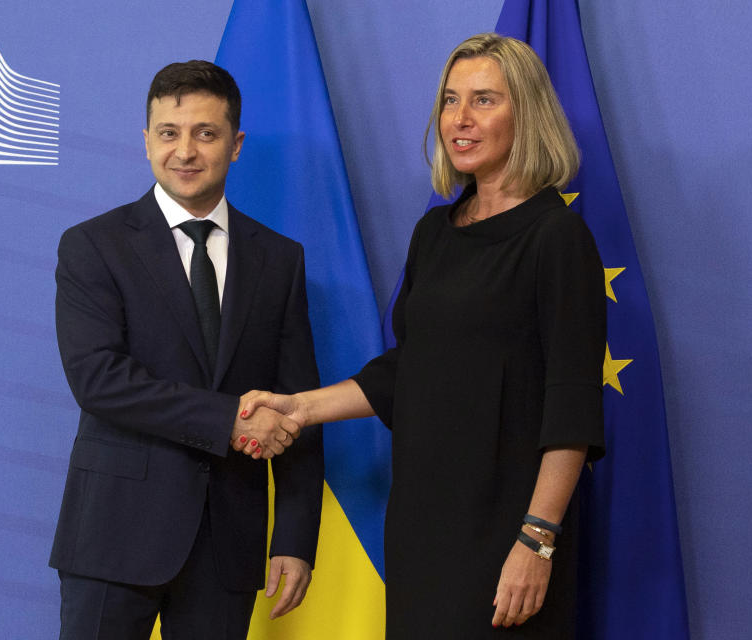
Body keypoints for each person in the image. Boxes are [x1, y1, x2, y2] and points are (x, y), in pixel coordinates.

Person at [237, 34, 605, 639]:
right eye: (450, 99)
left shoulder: (556, 238)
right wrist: (297, 408)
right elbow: (409, 368)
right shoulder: (435, 232)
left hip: (509, 532)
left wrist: (537, 542)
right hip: (421, 528)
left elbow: (572, 405)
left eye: (483, 100)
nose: (459, 119)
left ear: (528, 114)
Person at [49, 60, 324, 640]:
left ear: (236, 143)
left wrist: (296, 537)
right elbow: (99, 379)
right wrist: (228, 419)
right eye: (169, 133)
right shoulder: (93, 246)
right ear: (146, 140)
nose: (186, 151)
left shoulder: (280, 260)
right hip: (113, 536)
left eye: (206, 133)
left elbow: (298, 405)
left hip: (229, 541)